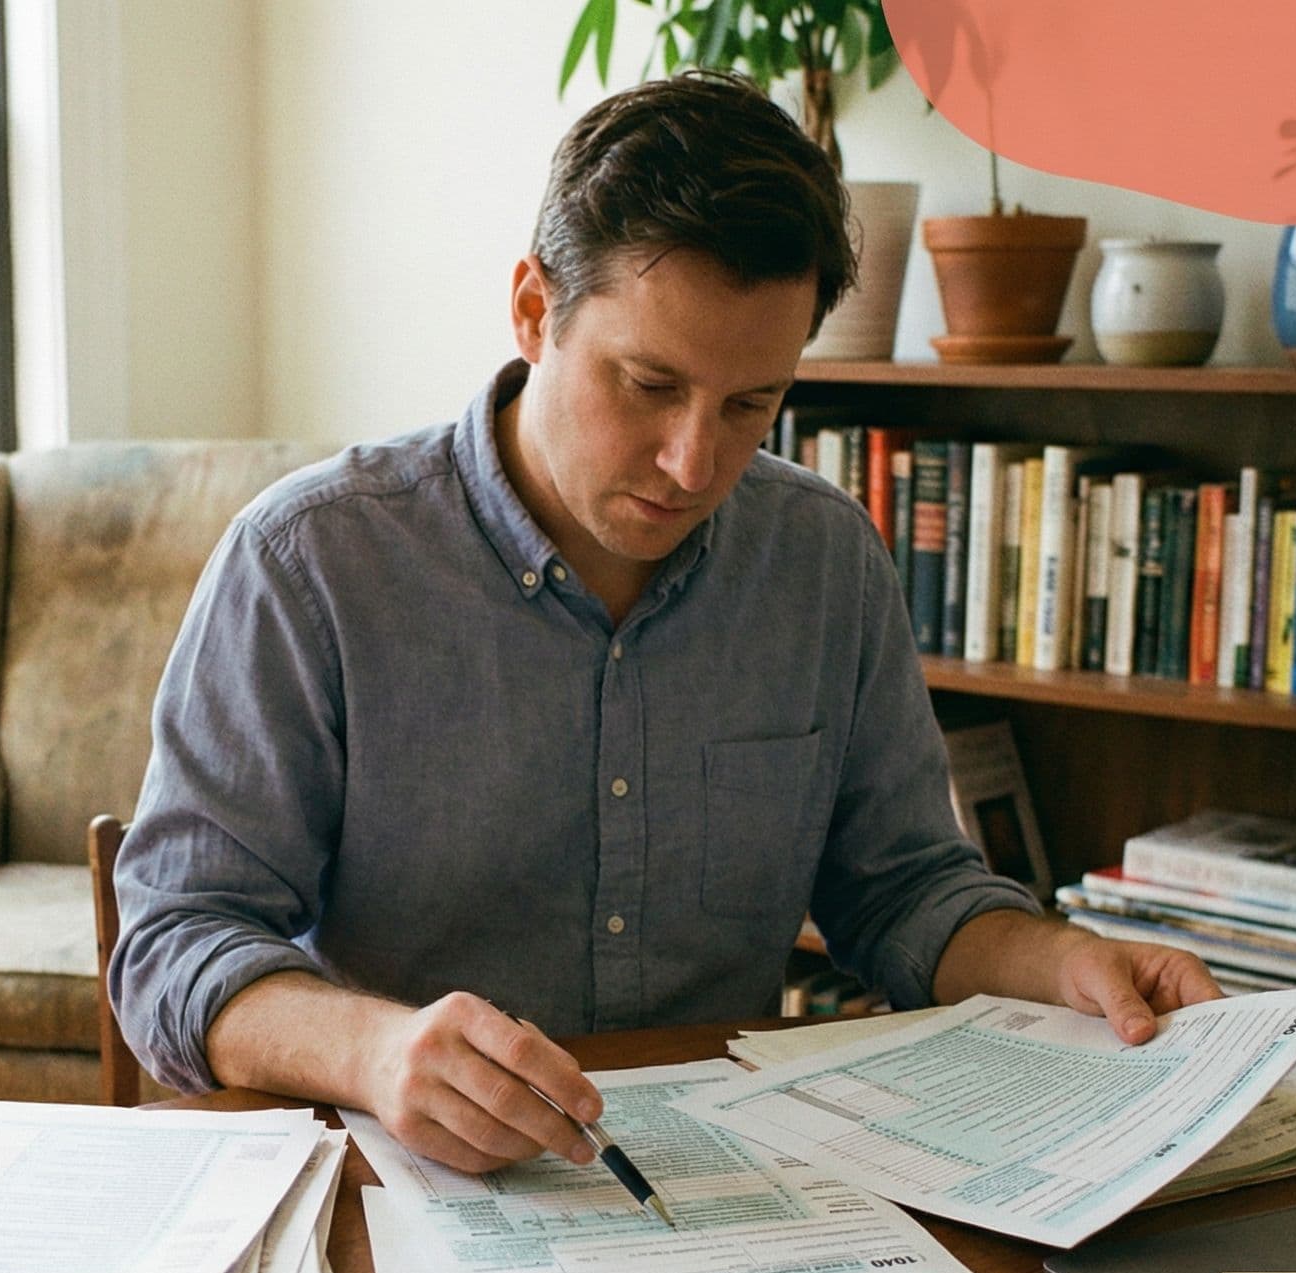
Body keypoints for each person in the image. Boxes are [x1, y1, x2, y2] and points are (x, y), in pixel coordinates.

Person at [111, 71, 1220, 1175]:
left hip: (723, 1181)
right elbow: (169, 946)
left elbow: (900, 891)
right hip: (401, 1181)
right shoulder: (312, 561)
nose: (695, 464)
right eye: (647, 384)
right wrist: (377, 1049)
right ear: (534, 310)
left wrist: (1058, 961)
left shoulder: (824, 561)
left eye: (751, 406)